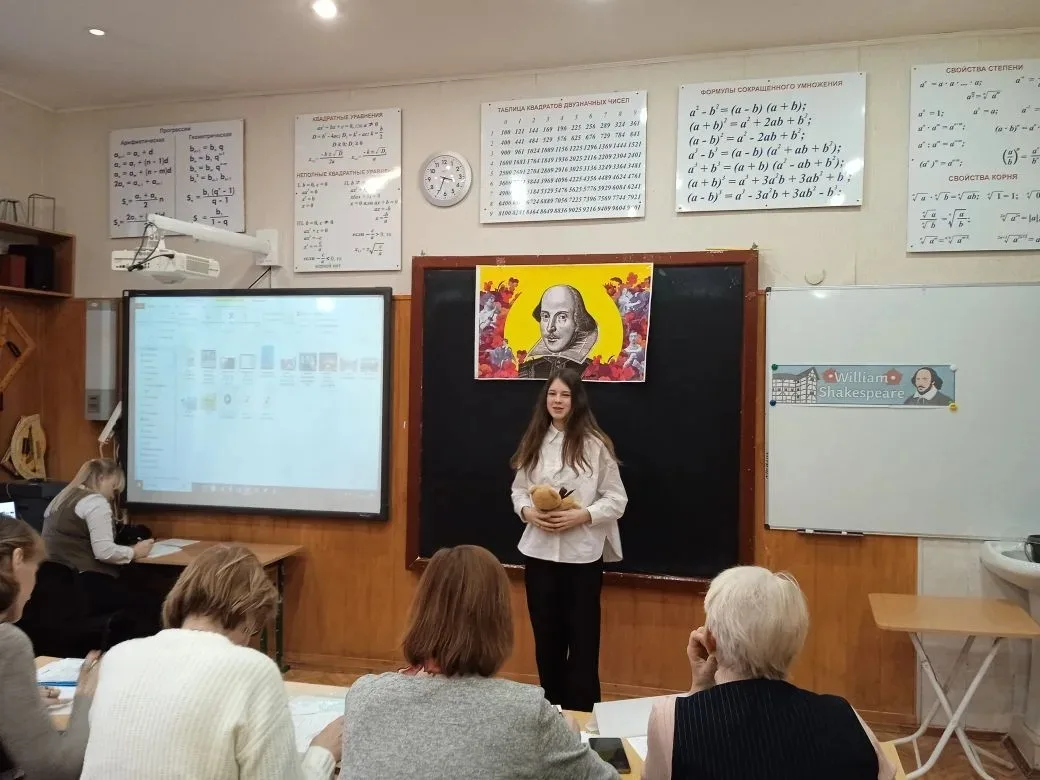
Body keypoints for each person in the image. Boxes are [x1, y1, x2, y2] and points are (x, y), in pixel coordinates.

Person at [339, 545, 618, 780]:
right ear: (499, 620)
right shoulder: (525, 711)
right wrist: (565, 738)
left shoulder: (364, 694)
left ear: (421, 610)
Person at [80, 543, 341, 779]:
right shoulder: (253, 670)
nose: (248, 640)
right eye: (254, 629)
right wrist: (323, 753)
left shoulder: (118, 657)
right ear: (249, 613)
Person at [643, 566, 896, 780]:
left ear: (710, 640)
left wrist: (699, 690)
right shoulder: (844, 716)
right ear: (796, 641)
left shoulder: (670, 718)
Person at [510, 368, 627, 711]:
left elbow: (617, 499)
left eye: (564, 395)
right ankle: (551, 714)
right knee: (546, 640)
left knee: (583, 643)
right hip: (539, 555)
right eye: (552, 394)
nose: (557, 401)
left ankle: (584, 716)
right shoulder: (534, 440)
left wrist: (583, 515)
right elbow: (519, 491)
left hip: (582, 558)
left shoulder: (595, 444)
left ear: (576, 401)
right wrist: (527, 512)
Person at [0, 514, 100, 779]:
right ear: (17, 559)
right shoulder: (7, 642)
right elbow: (57, 771)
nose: (34, 587)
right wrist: (86, 695)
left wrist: (17, 700)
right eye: (36, 570)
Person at [42, 458, 160, 639]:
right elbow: (104, 552)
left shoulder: (62, 498)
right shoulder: (94, 502)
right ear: (101, 478)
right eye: (113, 487)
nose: (113, 496)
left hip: (60, 586)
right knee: (153, 598)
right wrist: (135, 552)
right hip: (88, 584)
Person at [518, 285, 599, 379]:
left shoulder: (593, 371)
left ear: (578, 322)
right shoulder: (526, 371)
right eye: (545, 316)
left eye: (562, 317)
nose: (550, 327)